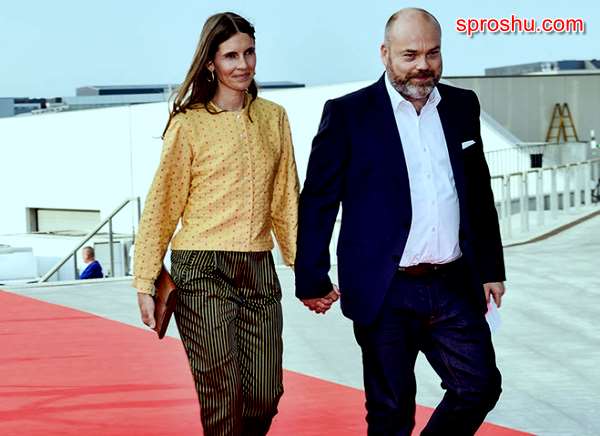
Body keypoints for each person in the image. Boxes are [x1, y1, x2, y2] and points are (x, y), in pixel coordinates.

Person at [295, 8, 506, 435]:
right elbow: (318, 200)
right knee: (391, 411)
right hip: (384, 287)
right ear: (385, 54)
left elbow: (478, 193)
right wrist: (311, 277)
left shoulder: (462, 105)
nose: (423, 65)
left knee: (479, 386)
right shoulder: (349, 114)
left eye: (433, 53)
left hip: (453, 283)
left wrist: (491, 268)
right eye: (410, 55)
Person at [132, 12, 299, 436]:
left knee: (264, 395)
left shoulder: (274, 117)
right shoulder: (188, 124)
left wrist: (306, 266)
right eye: (231, 56)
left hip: (258, 268)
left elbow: (285, 197)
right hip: (201, 267)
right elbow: (162, 204)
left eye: (249, 53)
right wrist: (145, 281)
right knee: (223, 395)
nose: (243, 64)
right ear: (211, 62)